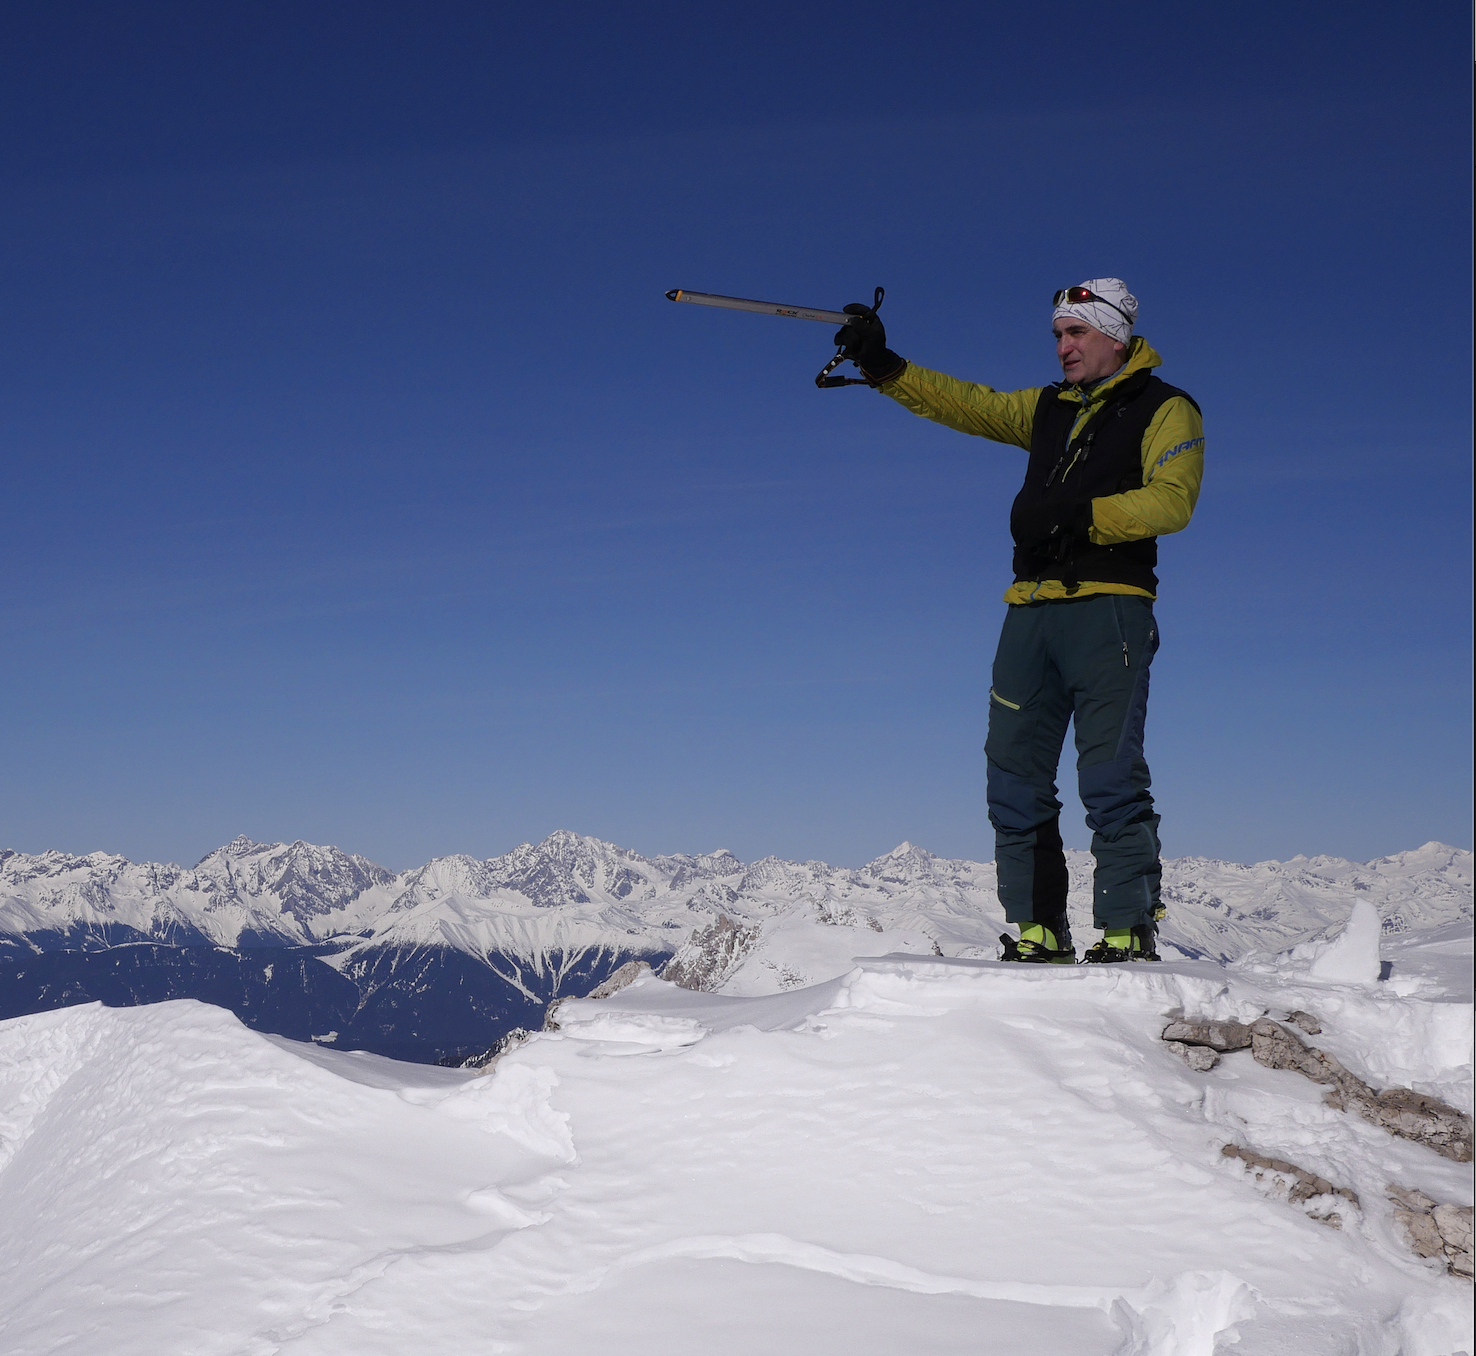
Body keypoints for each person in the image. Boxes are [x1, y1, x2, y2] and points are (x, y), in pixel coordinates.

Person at [833, 279, 1203, 963]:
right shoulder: (1047, 408)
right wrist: (884, 367)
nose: (1063, 347)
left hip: (1110, 608)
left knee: (1109, 775)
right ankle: (1040, 928)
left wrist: (1079, 517)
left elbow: (1172, 502)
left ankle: (1127, 927)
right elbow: (969, 404)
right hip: (1029, 609)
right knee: (1012, 774)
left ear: (1115, 336)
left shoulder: (1165, 407)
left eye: (1077, 332)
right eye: (1058, 334)